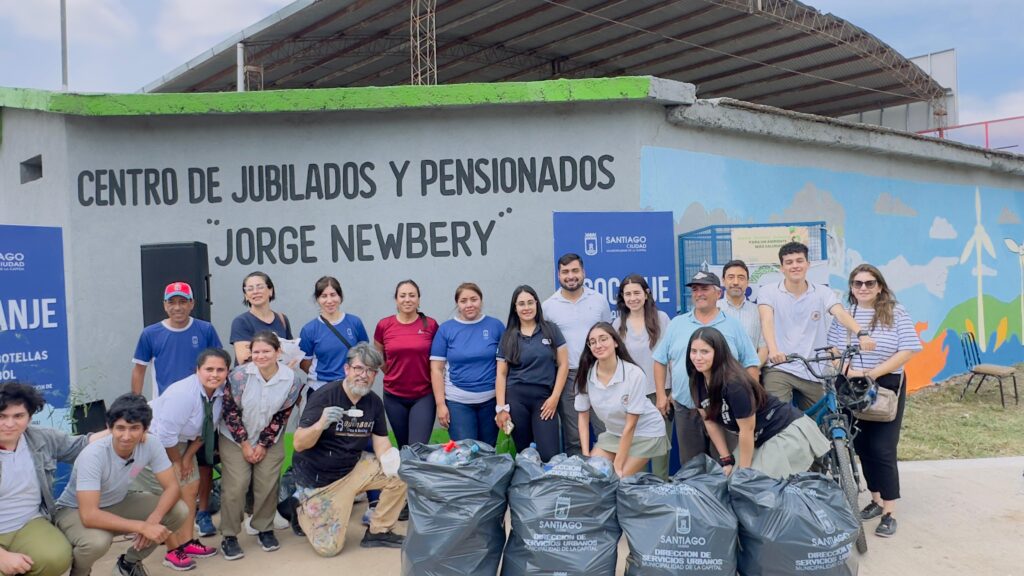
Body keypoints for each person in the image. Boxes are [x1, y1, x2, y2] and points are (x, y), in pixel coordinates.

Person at [827, 264, 920, 538]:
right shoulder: (846, 315)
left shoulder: (895, 312)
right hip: (850, 386)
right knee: (862, 446)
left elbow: (908, 349)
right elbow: (833, 348)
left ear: (879, 286)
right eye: (858, 283)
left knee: (882, 447)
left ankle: (890, 511)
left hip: (885, 385)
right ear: (851, 288)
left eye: (869, 283)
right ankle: (876, 499)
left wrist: (872, 373)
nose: (863, 288)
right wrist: (845, 369)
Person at [291, 343, 406, 557]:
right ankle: (299, 506)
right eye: (359, 368)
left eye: (370, 371)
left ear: (375, 375)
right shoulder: (324, 396)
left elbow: (381, 441)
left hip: (352, 469)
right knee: (329, 549)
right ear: (347, 369)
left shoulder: (373, 403)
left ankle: (379, 531)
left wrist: (393, 462)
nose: (364, 375)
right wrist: (320, 424)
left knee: (402, 473)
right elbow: (299, 443)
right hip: (320, 481)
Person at [54, 394, 189, 576]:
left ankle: (128, 564)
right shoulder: (93, 455)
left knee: (179, 510)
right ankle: (80, 573)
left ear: (145, 429)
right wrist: (142, 527)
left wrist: (153, 519)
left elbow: (172, 487)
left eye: (134, 428)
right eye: (120, 428)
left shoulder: (152, 444)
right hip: (74, 510)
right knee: (98, 542)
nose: (126, 436)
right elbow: (89, 515)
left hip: (117, 501)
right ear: (109, 427)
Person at [133, 349, 231, 570]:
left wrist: (187, 458)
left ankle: (187, 542)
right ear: (197, 370)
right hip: (152, 441)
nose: (214, 374)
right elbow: (165, 436)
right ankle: (172, 551)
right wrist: (177, 462)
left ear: (227, 371)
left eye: (220, 369)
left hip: (183, 443)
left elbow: (204, 431)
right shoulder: (183, 394)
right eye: (209, 369)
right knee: (170, 494)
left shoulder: (220, 392)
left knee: (191, 486)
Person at [688, 327, 829, 479]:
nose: (697, 357)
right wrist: (726, 460)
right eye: (693, 351)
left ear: (719, 353)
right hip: (758, 438)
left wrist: (744, 473)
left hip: (783, 429)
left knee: (755, 483)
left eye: (705, 352)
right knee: (731, 482)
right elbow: (709, 421)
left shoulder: (734, 384)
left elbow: (747, 429)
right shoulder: (697, 380)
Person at [653, 271, 760, 466]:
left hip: (724, 412)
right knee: (692, 468)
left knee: (727, 465)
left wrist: (748, 401)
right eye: (695, 289)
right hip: (686, 408)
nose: (699, 293)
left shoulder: (733, 325)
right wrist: (661, 394)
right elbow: (660, 360)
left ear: (718, 293)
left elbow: (751, 363)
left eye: (704, 289)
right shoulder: (677, 323)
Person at [759, 242, 876, 411]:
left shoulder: (822, 292)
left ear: (808, 264)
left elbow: (840, 313)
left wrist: (862, 334)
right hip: (780, 367)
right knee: (778, 414)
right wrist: (774, 350)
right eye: (789, 262)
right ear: (782, 268)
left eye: (799, 261)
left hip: (813, 369)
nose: (795, 266)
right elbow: (766, 320)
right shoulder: (768, 291)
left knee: (822, 419)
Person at [218, 332, 304, 560]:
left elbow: (282, 415)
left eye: (266, 351)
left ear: (278, 352)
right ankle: (229, 535)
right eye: (256, 351)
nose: (261, 356)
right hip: (235, 437)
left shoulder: (292, 380)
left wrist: (263, 444)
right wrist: (246, 444)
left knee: (267, 482)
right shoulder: (238, 376)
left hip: (270, 436)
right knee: (237, 484)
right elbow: (230, 412)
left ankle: (264, 528)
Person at [0, 382, 89, 576]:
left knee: (56, 557)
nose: (9, 424)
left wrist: (121, 432)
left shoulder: (39, 438)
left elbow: (82, 445)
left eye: (18, 416)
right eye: (2, 416)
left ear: (30, 417)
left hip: (27, 522)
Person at [575, 322, 668, 478]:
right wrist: (586, 456)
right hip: (614, 434)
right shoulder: (585, 375)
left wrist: (618, 465)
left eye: (603, 339)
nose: (598, 345)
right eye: (593, 342)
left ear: (616, 342)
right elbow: (583, 416)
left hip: (646, 433)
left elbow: (631, 425)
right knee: (591, 475)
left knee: (616, 479)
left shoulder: (634, 374)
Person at [542, 253, 612, 456]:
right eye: (565, 272)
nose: (570, 276)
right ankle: (578, 474)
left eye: (575, 271)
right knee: (573, 437)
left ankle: (606, 473)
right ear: (558, 275)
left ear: (584, 272)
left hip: (599, 373)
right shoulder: (548, 307)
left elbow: (608, 335)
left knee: (605, 432)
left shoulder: (599, 300)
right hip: (568, 376)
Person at [495, 285, 569, 461]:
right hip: (516, 400)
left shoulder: (551, 330)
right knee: (525, 454)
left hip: (544, 400)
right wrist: (501, 408)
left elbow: (563, 364)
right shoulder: (508, 336)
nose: (526, 307)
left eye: (530, 302)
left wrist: (555, 397)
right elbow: (501, 375)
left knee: (549, 454)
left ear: (536, 303)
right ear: (515, 308)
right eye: (521, 304)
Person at [429, 283, 505, 446]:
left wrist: (501, 406)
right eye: (463, 301)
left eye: (473, 299)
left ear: (481, 300)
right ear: (457, 303)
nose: (469, 304)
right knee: (465, 452)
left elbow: (504, 368)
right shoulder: (446, 329)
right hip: (458, 402)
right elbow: (436, 370)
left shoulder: (496, 326)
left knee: (487, 450)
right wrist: (440, 405)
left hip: (490, 401)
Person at [611, 274, 672, 477]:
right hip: (631, 396)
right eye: (627, 294)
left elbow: (671, 356)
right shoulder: (617, 325)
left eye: (637, 293)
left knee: (660, 450)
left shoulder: (662, 319)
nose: (633, 298)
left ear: (646, 294)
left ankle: (661, 487)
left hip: (659, 393)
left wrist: (667, 394)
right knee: (636, 450)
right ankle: (639, 491)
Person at [373, 279, 439, 449]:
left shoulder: (431, 325)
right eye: (402, 296)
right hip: (394, 396)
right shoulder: (384, 325)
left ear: (418, 299)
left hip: (424, 395)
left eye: (412, 295)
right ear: (396, 300)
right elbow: (378, 354)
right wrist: (393, 372)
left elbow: (438, 361)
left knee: (417, 448)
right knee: (404, 447)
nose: (407, 299)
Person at [131, 281, 222, 397]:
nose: (177, 307)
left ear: (192, 303)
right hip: (164, 402)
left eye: (182, 302)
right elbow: (139, 370)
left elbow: (219, 364)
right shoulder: (150, 333)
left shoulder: (206, 329)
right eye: (171, 302)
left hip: (200, 400)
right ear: (165, 305)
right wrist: (135, 402)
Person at [299, 276, 369, 396]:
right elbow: (305, 363)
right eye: (324, 296)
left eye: (333, 295)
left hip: (350, 387)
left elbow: (364, 354)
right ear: (317, 299)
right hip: (320, 388)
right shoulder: (309, 329)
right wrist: (324, 375)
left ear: (340, 296)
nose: (329, 300)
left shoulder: (354, 323)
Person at [230, 272, 293, 365]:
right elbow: (244, 360)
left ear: (270, 290)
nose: (255, 292)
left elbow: (290, 352)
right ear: (246, 295)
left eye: (260, 287)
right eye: (250, 289)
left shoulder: (282, 319)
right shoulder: (241, 322)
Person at [717, 260, 768, 365]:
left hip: (750, 370)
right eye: (731, 277)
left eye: (741, 278)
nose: (736, 282)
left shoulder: (758, 311)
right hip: (719, 371)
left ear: (747, 282)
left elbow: (763, 348)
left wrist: (752, 370)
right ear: (723, 280)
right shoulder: (714, 309)